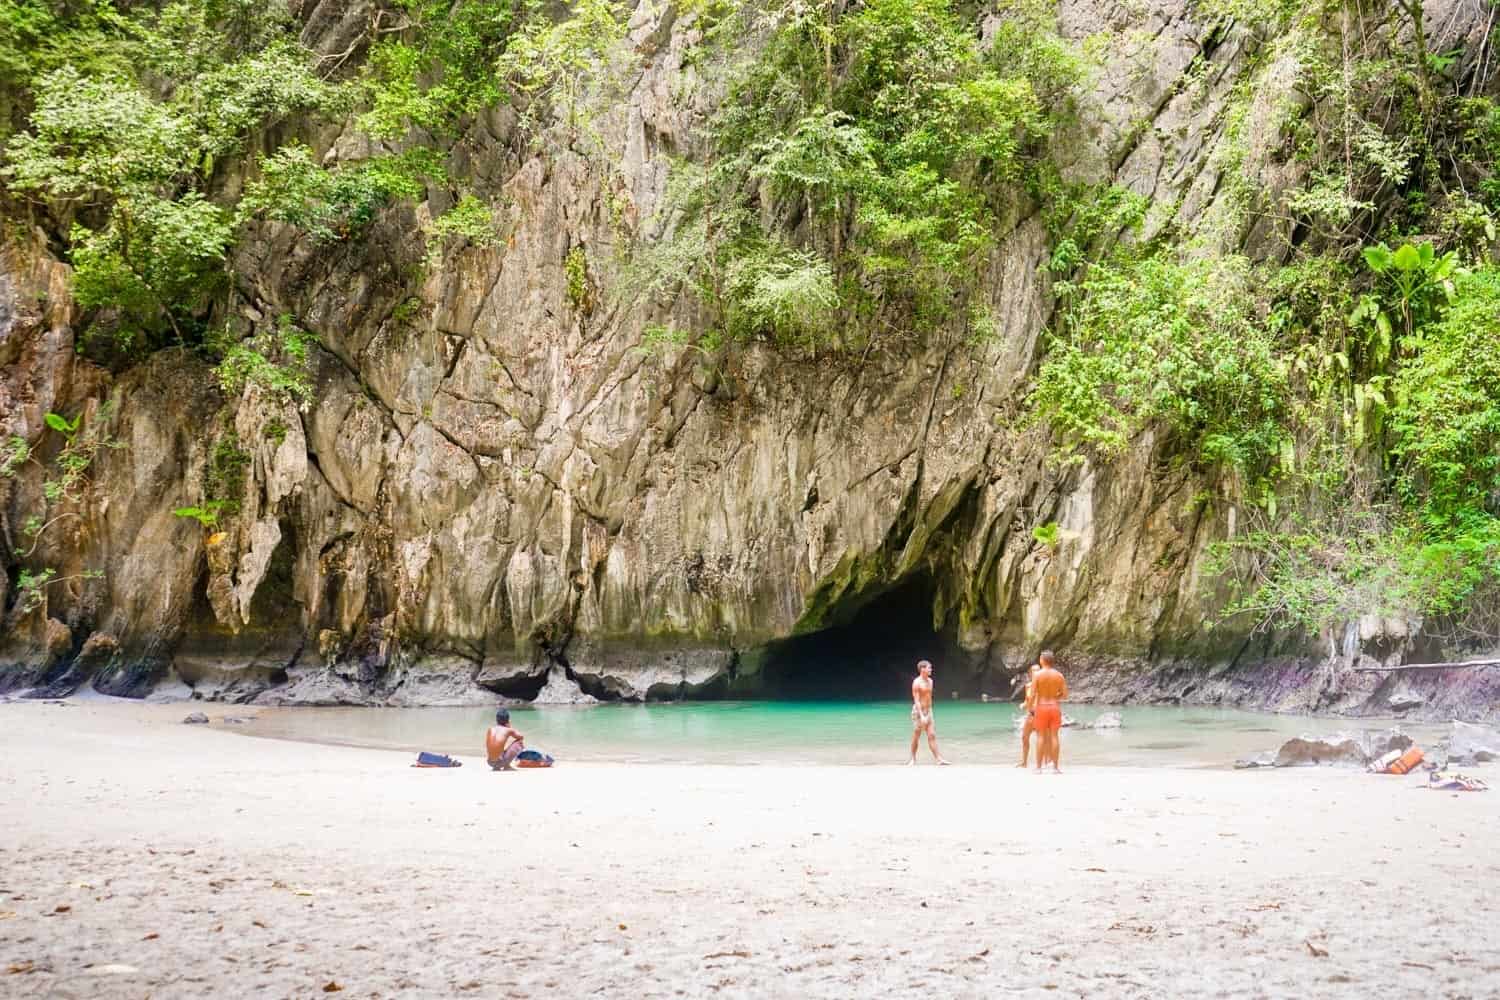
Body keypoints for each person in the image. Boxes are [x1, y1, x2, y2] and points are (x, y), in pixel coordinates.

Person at [907, 660, 951, 766]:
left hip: (928, 711)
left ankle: (938, 759)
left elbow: (929, 697)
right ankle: (912, 759)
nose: (931, 669)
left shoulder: (931, 681)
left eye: (930, 668)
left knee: (932, 735)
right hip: (919, 712)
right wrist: (922, 716)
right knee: (916, 735)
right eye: (929, 668)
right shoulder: (916, 683)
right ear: (922, 669)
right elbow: (916, 700)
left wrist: (929, 711)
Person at [1032, 650, 1068, 773]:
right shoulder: (1059, 675)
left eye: (1040, 658)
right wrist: (1054, 698)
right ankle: (1055, 768)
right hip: (1054, 707)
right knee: (1054, 736)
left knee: (1040, 737)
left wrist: (1031, 708)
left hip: (1041, 707)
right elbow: (1065, 695)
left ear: (1042, 660)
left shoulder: (1037, 675)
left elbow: (1032, 695)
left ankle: (1038, 768)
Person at [1017, 662, 1040, 768]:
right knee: (1024, 737)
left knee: (1042, 739)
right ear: (1030, 673)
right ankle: (1024, 762)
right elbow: (1027, 700)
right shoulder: (1028, 686)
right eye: (1034, 671)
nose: (1036, 672)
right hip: (1030, 715)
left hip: (1040, 715)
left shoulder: (1043, 685)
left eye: (1038, 670)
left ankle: (1042, 763)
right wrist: (1023, 704)